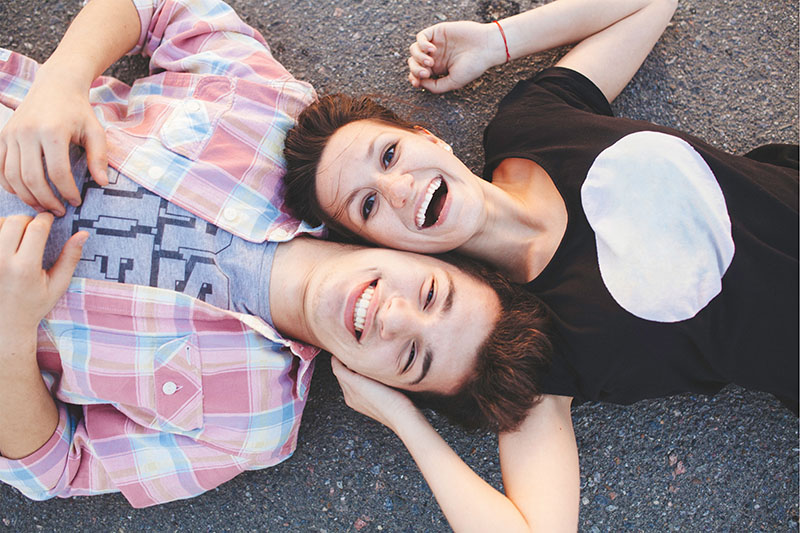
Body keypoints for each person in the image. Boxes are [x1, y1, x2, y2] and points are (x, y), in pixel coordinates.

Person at [0, 0, 552, 509]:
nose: (395, 317)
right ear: (431, 257)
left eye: (411, 358)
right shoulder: (277, 118)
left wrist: (11, 337)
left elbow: (56, 469)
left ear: (379, 387)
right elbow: (159, 6)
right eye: (432, 295)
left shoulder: (250, 426)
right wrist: (63, 80)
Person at [282, 0, 798, 530]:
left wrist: (498, 42)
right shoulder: (522, 337)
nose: (398, 187)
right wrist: (400, 417)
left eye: (389, 155)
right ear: (377, 247)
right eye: (367, 206)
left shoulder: (528, 125)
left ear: (426, 136)